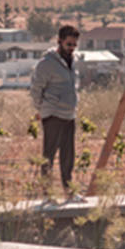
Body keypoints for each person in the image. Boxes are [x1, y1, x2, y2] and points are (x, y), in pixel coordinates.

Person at [31, 23, 80, 193]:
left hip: (69, 114)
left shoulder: (73, 61)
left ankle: (69, 190)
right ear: (59, 41)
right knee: (49, 155)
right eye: (69, 44)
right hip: (53, 114)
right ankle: (47, 192)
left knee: (68, 156)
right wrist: (43, 109)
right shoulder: (46, 63)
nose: (72, 48)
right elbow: (36, 88)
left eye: (74, 45)